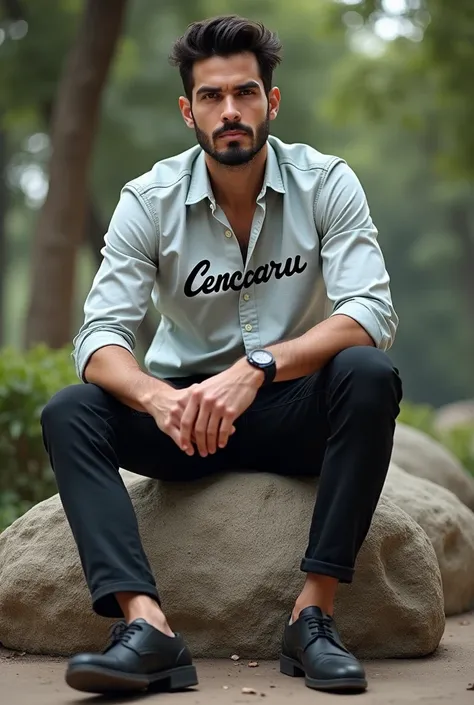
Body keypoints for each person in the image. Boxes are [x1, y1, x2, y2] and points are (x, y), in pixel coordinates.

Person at [40, 14, 402, 697]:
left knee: (367, 373)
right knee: (71, 410)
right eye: (211, 96)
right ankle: (146, 628)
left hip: (292, 406)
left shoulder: (327, 183)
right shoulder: (148, 200)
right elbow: (99, 339)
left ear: (273, 100)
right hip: (185, 420)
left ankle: (313, 614)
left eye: (244, 93)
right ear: (188, 110)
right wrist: (158, 397)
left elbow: (371, 313)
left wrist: (257, 367)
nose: (229, 111)